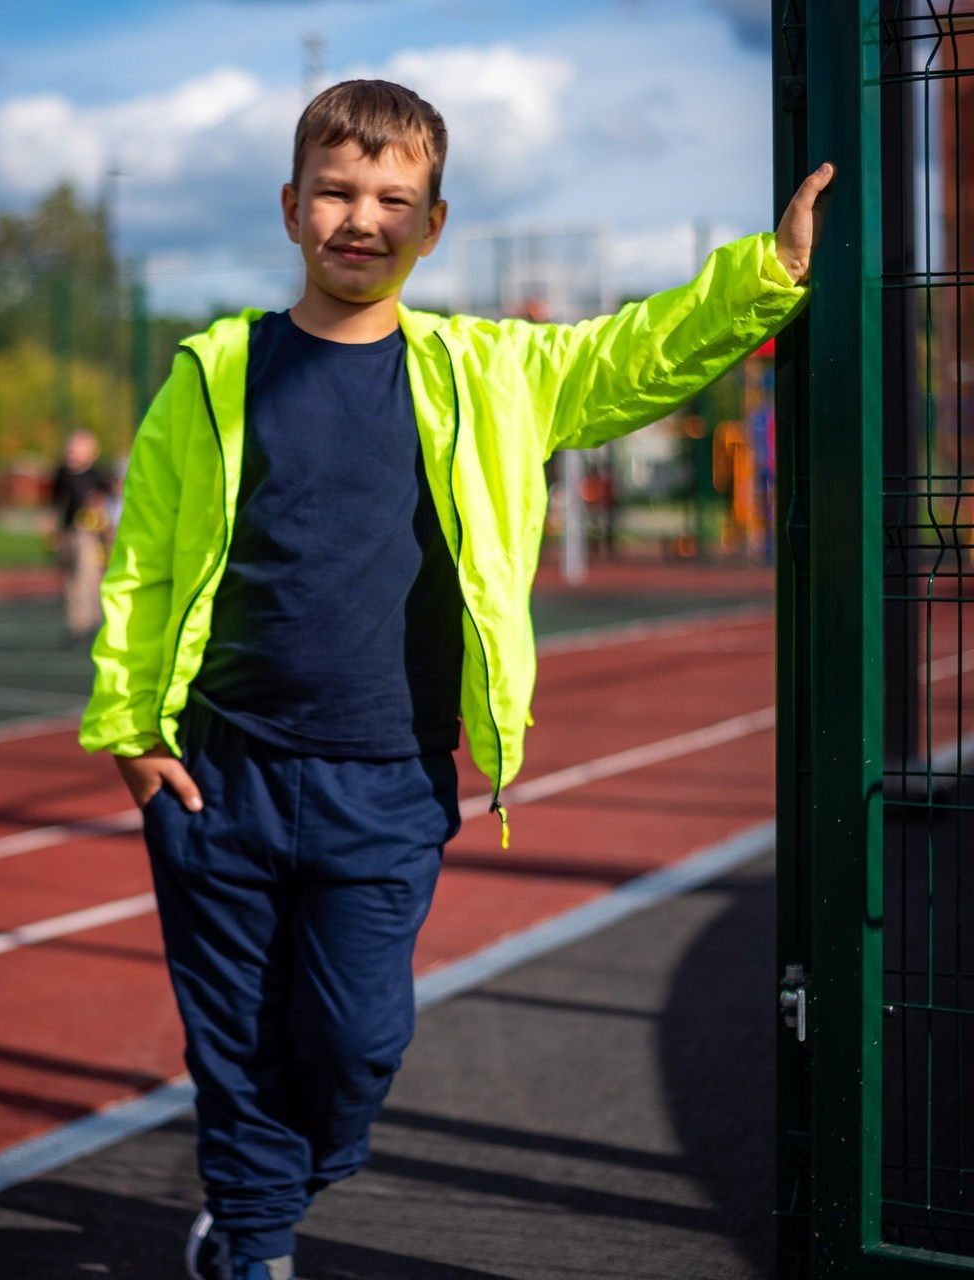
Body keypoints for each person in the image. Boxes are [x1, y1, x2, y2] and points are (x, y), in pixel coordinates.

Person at [80, 79, 832, 1280]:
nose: (359, 217)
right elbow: (141, 556)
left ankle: (285, 1177)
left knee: (356, 1041)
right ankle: (252, 1242)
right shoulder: (215, 371)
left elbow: (627, 355)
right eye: (334, 190)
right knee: (232, 1040)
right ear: (289, 207)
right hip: (220, 773)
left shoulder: (490, 372)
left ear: (432, 226)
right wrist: (129, 725)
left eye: (393, 198)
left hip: (387, 782)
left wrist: (761, 275)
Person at [49, 428, 116, 645]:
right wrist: (53, 528)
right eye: (70, 447)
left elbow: (111, 499)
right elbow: (55, 503)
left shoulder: (97, 475)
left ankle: (88, 623)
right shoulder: (62, 474)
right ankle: (76, 623)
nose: (72, 452)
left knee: (86, 577)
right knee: (70, 580)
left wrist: (100, 513)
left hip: (89, 534)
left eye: (77, 448)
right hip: (69, 532)